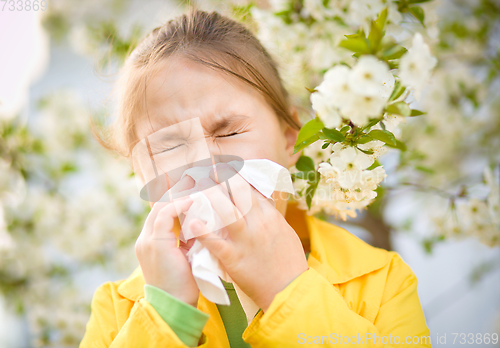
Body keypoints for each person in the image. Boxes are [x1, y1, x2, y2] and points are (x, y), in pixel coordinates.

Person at [79, 6, 433, 348]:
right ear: (141, 174)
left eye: (229, 132)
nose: (206, 166)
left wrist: (286, 289)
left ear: (290, 136)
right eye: (169, 146)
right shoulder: (117, 312)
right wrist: (166, 317)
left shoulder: (381, 282)